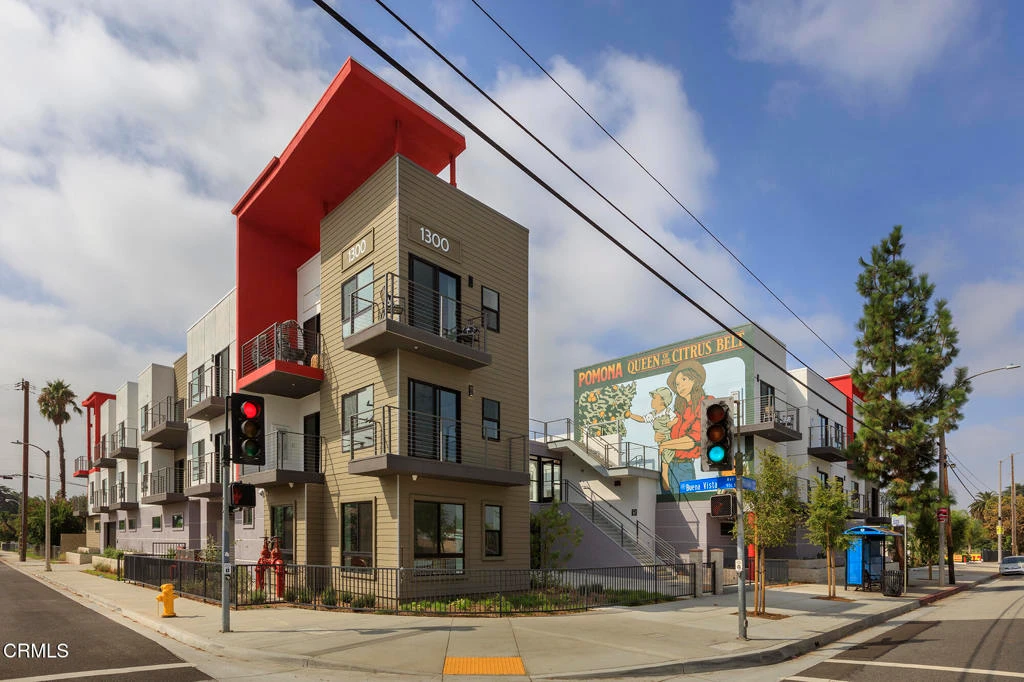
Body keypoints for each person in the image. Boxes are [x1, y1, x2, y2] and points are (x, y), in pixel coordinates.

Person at [655, 360, 710, 491]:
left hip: (684, 467)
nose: (680, 386)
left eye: (684, 379)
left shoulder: (704, 403)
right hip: (668, 466)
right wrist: (660, 436)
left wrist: (665, 444)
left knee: (688, 501)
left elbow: (693, 439)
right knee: (666, 502)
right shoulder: (678, 412)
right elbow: (668, 437)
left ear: (694, 380)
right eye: (677, 384)